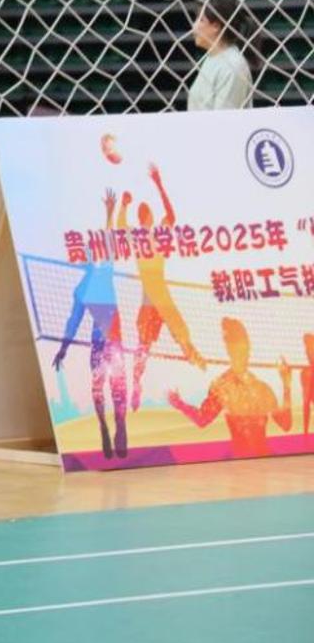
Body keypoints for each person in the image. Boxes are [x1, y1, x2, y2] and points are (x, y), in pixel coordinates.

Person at [119, 164, 205, 412]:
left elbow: (170, 215)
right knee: (147, 345)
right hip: (153, 296)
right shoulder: (139, 237)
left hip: (156, 294)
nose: (147, 217)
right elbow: (123, 226)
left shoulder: (155, 235)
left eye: (145, 213)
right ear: (145, 218)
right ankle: (138, 383)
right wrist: (127, 203)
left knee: (159, 340)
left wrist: (155, 185)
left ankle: (190, 357)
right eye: (145, 214)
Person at [53, 190, 129, 459]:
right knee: (101, 389)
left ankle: (119, 427)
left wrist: (109, 213)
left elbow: (107, 242)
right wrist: (63, 348)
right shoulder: (83, 289)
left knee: (114, 388)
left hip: (111, 341)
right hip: (103, 342)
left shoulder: (102, 272)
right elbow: (73, 322)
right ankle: (105, 429)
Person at [169, 318, 292, 459]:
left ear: (248, 347)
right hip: (239, 463)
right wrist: (179, 403)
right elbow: (202, 419)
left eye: (244, 345)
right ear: (229, 349)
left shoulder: (261, 388)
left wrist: (286, 384)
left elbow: (285, 424)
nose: (243, 351)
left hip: (262, 462)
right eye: (237, 346)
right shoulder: (222, 387)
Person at [188, 0, 254, 111]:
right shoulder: (212, 58)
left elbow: (225, 119)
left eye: (201, 20)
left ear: (216, 26)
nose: (194, 26)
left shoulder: (233, 65)